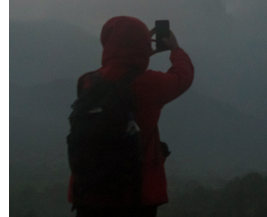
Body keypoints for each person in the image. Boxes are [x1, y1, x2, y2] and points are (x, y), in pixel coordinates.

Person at [68, 16, 195, 217]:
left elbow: (117, 74)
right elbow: (183, 77)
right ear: (144, 44)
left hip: (88, 194)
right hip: (135, 195)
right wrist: (175, 50)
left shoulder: (87, 82)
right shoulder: (150, 85)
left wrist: (138, 56)